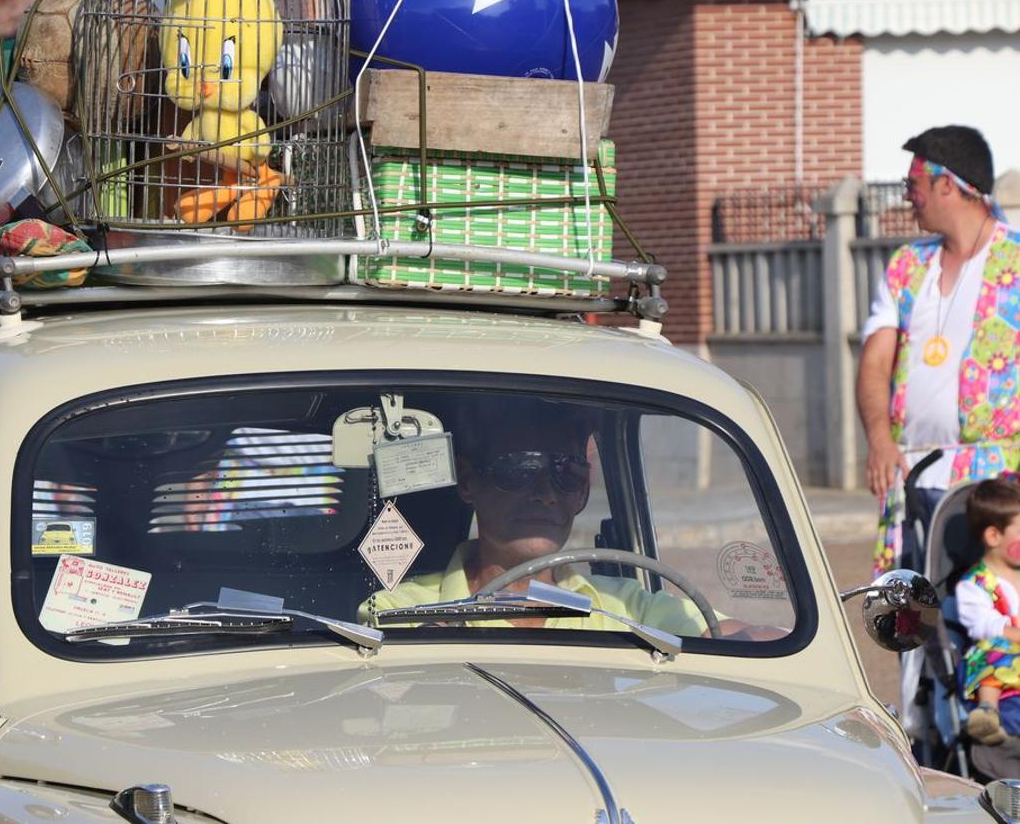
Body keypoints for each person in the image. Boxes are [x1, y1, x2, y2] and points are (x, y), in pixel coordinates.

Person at [364, 399, 779, 640]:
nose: (545, 493)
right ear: (469, 481)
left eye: (568, 473)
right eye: (520, 468)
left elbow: (742, 638)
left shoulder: (624, 606)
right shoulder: (402, 610)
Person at [857, 126, 1018, 572]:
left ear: (947, 184)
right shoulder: (907, 267)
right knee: (915, 624)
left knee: (991, 621)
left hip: (998, 485)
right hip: (913, 477)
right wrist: (878, 438)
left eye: (913, 185)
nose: (908, 196)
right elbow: (874, 360)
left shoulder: (1017, 263)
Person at [958, 479, 1020, 746]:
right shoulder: (974, 585)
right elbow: (984, 625)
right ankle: (988, 712)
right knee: (994, 647)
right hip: (996, 669)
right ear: (994, 536)